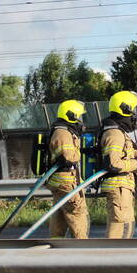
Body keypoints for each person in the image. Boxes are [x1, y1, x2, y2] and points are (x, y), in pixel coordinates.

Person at [99, 90, 137, 239]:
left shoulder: (119, 132)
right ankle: (109, 258)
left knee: (127, 225)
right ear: (125, 109)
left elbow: (127, 153)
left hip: (123, 187)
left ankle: (122, 258)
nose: (134, 115)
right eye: (133, 109)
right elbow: (113, 164)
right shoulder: (114, 134)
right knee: (118, 225)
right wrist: (136, 163)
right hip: (118, 187)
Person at [45, 99, 90, 238]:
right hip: (66, 182)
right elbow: (69, 157)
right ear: (71, 115)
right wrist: (80, 152)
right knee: (77, 214)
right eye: (79, 116)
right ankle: (81, 248)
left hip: (63, 181)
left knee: (60, 217)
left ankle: (56, 248)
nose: (81, 120)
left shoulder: (63, 131)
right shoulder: (63, 133)